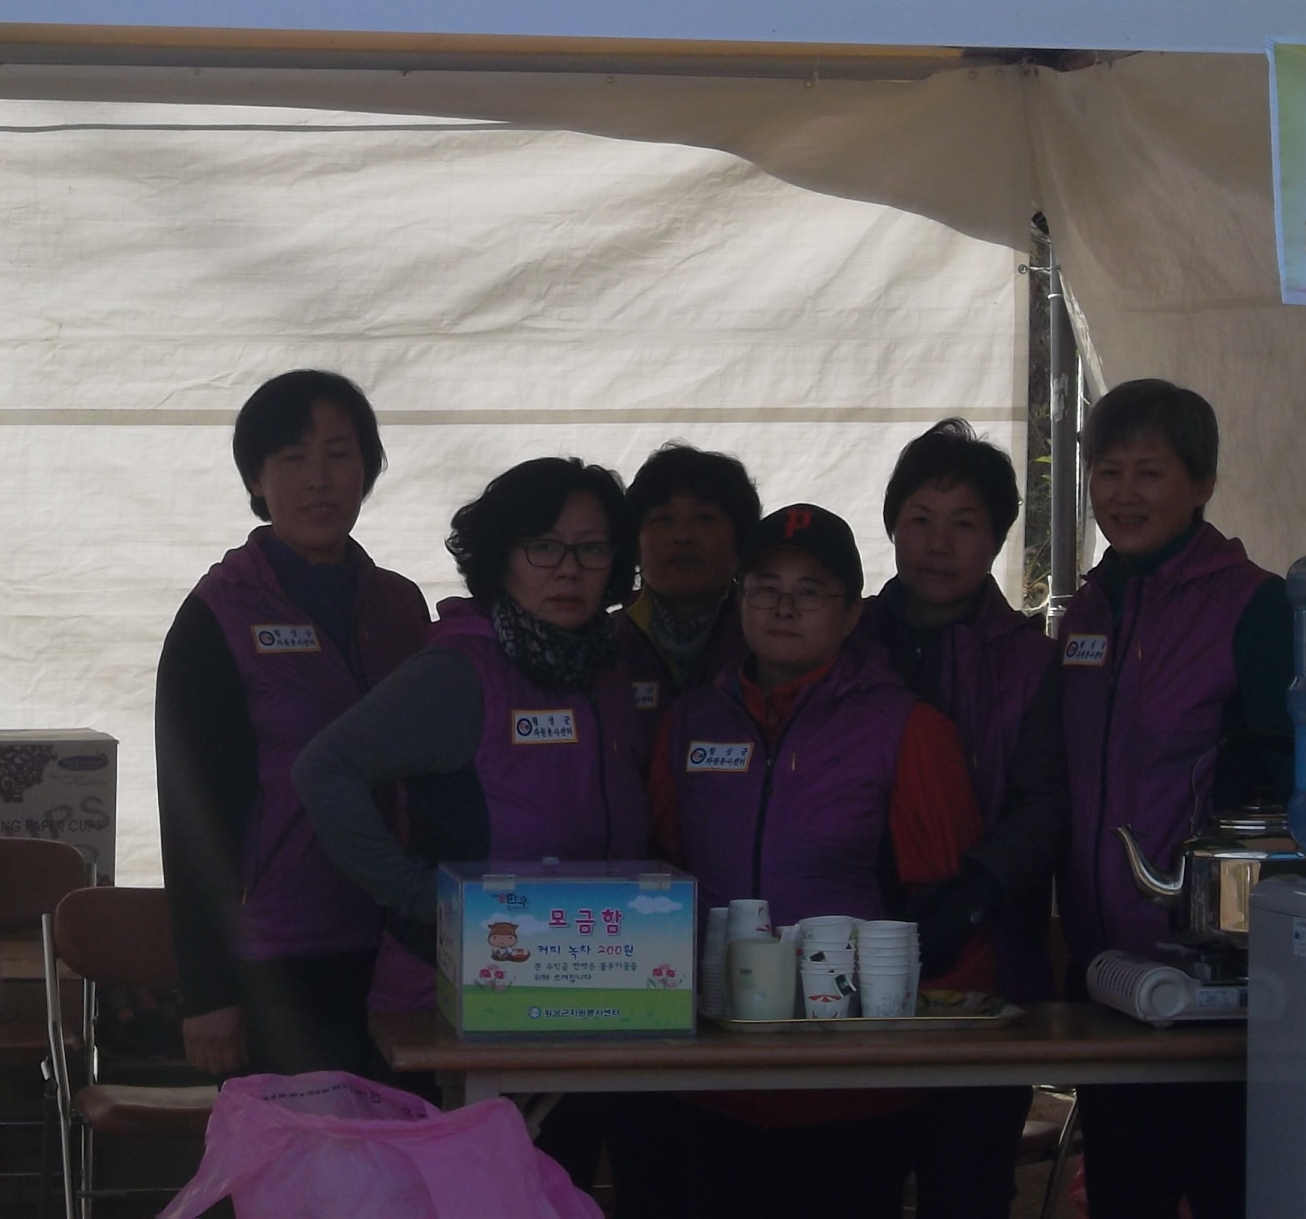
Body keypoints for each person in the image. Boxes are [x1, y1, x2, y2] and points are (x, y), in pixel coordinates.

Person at [296, 457, 652, 1205]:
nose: (569, 569)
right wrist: (415, 893)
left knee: (558, 1194)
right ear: (500, 557)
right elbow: (325, 770)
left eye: (592, 548)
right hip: (454, 1003)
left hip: (586, 991)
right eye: (543, 546)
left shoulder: (609, 668)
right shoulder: (460, 672)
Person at [650, 505, 992, 1219]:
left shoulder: (905, 729)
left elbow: (946, 911)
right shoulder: (690, 722)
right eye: (765, 587)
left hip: (851, 1084)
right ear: (739, 600)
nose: (783, 606)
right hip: (713, 1072)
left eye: (810, 591)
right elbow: (665, 867)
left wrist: (925, 1065)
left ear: (850, 615)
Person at [1054, 379, 1293, 1219]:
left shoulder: (1253, 605)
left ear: (1203, 483)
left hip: (1214, 982)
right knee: (1125, 1189)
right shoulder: (1087, 608)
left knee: (1226, 1186)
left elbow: (1289, 779)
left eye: (1149, 472)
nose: (1124, 494)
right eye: (1107, 471)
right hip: (1105, 973)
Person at [156, 370, 432, 1079]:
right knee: (299, 1147)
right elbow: (190, 816)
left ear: (368, 469)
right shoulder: (218, 615)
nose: (319, 479)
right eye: (292, 458)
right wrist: (208, 990)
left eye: (340, 454)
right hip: (276, 953)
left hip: (397, 943)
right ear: (256, 479)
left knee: (403, 1141)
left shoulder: (401, 608)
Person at [856, 421, 1065, 1219]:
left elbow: (1047, 802)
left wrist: (975, 892)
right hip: (851, 964)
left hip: (987, 968)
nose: (938, 544)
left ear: (998, 538)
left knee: (968, 1186)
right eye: (920, 518)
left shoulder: (1031, 660)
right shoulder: (844, 639)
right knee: (853, 1180)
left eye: (964, 522)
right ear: (892, 525)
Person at [617, 443, 761, 719]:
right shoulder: (604, 645)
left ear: (741, 539)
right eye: (663, 519)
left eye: (705, 518)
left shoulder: (768, 640)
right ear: (634, 542)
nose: (683, 536)